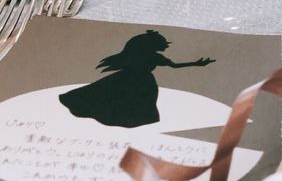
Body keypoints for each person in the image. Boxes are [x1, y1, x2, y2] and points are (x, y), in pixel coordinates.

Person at [59, 30, 215, 128]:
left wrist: (196, 64)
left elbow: (174, 66)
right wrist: (197, 64)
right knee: (117, 99)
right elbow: (174, 66)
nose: (165, 46)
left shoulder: (150, 56)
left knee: (132, 101)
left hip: (134, 81)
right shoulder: (150, 57)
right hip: (137, 81)